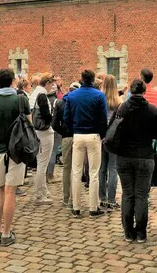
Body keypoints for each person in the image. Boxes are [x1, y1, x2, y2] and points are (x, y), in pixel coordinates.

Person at [0, 68, 31, 247]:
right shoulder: (21, 99)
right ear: (12, 82)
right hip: (16, 151)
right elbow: (29, 124)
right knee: (11, 191)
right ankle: (6, 232)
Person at [114, 79, 157, 243]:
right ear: (143, 92)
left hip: (124, 156)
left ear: (131, 92)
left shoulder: (122, 108)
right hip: (144, 156)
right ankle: (141, 233)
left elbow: (114, 130)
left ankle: (128, 232)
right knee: (141, 195)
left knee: (127, 194)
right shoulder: (152, 110)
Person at [64, 69, 108, 218]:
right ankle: (93, 207)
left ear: (81, 79)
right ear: (93, 79)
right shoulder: (99, 96)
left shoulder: (71, 96)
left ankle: (76, 207)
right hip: (94, 135)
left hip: (78, 134)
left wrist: (73, 131)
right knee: (94, 173)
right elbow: (103, 118)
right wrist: (102, 134)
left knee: (76, 172)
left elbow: (67, 117)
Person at [137, 68, 157, 187]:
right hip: (151, 132)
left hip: (137, 131)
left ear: (141, 78)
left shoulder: (133, 92)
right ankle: (149, 180)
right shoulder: (156, 93)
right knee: (150, 157)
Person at [52, 81, 78, 207]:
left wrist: (63, 132)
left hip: (66, 137)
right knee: (77, 169)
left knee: (67, 168)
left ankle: (66, 198)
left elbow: (54, 124)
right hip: (78, 136)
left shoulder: (60, 102)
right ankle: (75, 198)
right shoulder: (79, 102)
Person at [30, 73, 55, 204]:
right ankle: (39, 194)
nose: (52, 86)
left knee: (40, 161)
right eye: (51, 84)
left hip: (36, 130)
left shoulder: (34, 93)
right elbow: (46, 115)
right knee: (42, 163)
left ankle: (43, 189)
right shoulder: (42, 95)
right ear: (47, 83)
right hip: (44, 131)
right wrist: (52, 119)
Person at [99, 74, 122, 209]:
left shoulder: (100, 100)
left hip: (101, 136)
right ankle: (111, 199)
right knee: (113, 168)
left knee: (102, 168)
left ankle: (102, 197)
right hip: (113, 138)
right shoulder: (119, 102)